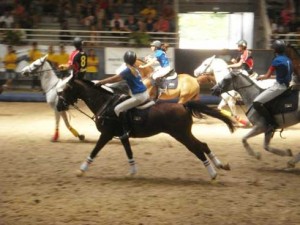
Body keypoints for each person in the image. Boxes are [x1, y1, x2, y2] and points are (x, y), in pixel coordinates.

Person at [96, 50, 149, 139]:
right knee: (122, 99)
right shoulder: (135, 68)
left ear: (125, 60)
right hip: (144, 93)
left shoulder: (127, 70)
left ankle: (125, 131)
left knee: (117, 109)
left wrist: (101, 82)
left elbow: (115, 79)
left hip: (139, 97)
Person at [253, 39, 293, 134]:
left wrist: (260, 78)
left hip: (279, 86)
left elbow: (266, 76)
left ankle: (272, 124)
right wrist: (269, 77)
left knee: (256, 102)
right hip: (287, 85)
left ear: (275, 50)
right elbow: (283, 75)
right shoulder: (288, 60)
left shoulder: (276, 60)